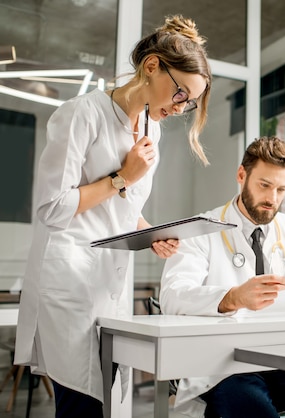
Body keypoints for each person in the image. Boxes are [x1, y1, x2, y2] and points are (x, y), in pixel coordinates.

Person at [14, 15, 212, 417]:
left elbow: (123, 211)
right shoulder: (80, 114)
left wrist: (151, 232)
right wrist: (123, 177)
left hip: (109, 282)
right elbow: (53, 208)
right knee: (81, 400)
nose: (181, 108)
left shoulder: (150, 130)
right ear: (153, 66)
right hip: (69, 280)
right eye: (180, 94)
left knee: (108, 399)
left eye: (188, 102)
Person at [160, 136, 285, 418]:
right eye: (264, 185)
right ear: (241, 175)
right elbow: (173, 295)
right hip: (223, 366)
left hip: (283, 360)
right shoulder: (201, 230)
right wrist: (232, 297)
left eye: (281, 189)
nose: (272, 199)